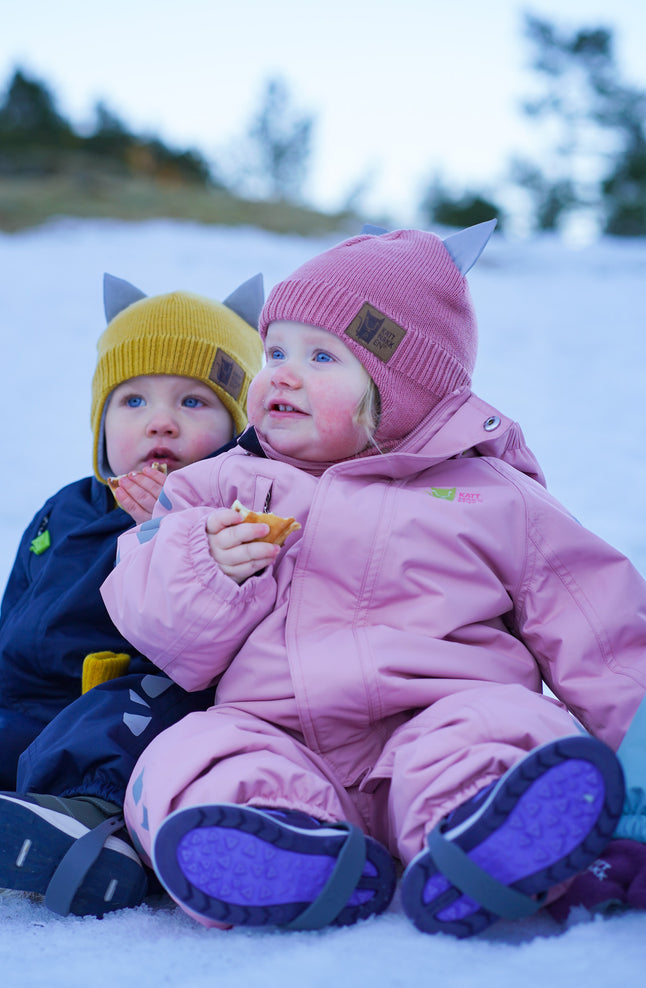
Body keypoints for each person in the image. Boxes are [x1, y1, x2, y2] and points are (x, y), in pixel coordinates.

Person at [95, 221, 646, 938]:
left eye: (321, 356)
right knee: (189, 755)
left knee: (510, 730)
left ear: (403, 386)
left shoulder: (491, 493)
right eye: (276, 351)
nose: (282, 374)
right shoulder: (219, 486)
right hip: (276, 730)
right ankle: (279, 851)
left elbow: (601, 629)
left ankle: (482, 836)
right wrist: (206, 566)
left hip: (442, 713)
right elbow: (153, 623)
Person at [0, 271, 264, 917]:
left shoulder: (232, 517)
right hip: (34, 705)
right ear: (101, 422)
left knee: (121, 725)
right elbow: (12, 634)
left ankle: (87, 826)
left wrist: (171, 531)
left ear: (239, 424)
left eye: (194, 402)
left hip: (142, 696)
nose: (161, 420)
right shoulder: (63, 512)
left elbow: (226, 635)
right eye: (132, 402)